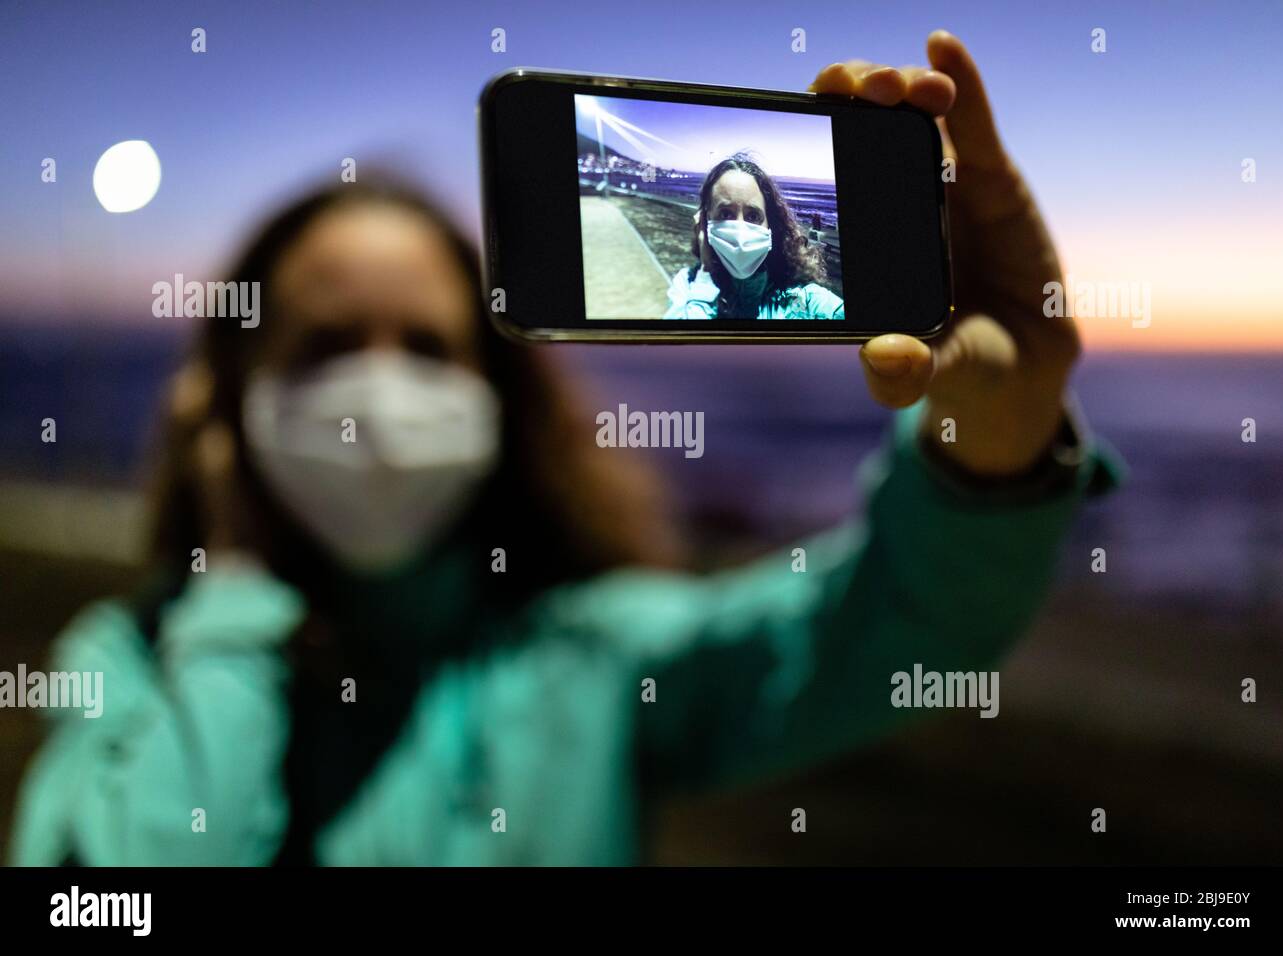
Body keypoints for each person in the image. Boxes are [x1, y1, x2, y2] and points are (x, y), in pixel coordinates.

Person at [10, 31, 1117, 866]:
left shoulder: (597, 653)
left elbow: (890, 628)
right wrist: (232, 606)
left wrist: (996, 429)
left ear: (497, 397)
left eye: (432, 348)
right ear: (228, 404)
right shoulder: (129, 663)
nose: (381, 390)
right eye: (326, 347)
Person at [663, 154, 845, 320]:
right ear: (704, 221)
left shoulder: (806, 302)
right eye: (726, 214)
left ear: (771, 225)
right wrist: (705, 273)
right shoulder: (686, 285)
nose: (740, 228)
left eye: (753, 216)